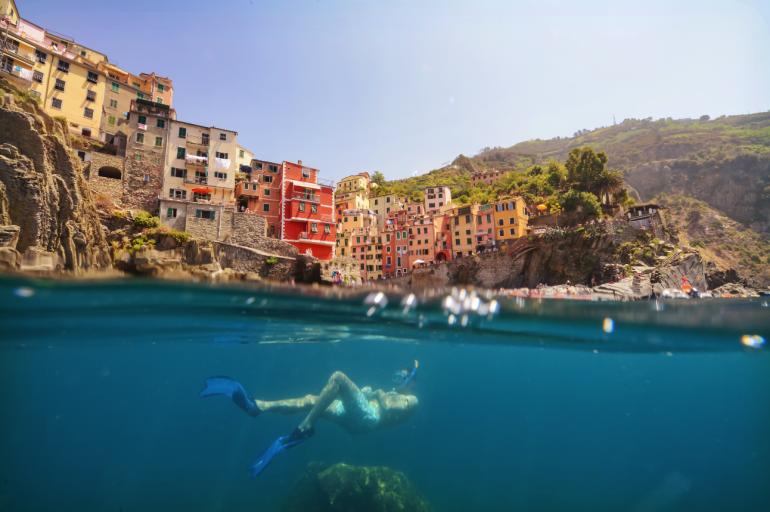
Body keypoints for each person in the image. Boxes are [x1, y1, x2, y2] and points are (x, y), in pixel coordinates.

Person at [200, 361, 419, 476]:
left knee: (338, 377)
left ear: (411, 381)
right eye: (395, 376)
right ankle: (257, 407)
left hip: (367, 418)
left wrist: (377, 393)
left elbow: (389, 406)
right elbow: (378, 401)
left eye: (401, 377)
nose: (396, 380)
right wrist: (366, 393)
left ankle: (306, 425)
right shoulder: (394, 393)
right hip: (358, 415)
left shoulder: (412, 399)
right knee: (311, 400)